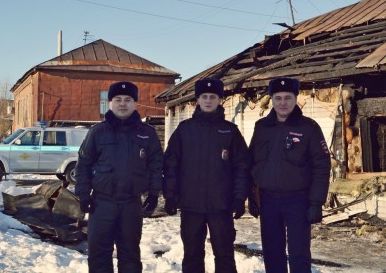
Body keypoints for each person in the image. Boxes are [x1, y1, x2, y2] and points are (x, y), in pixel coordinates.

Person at [163, 78, 250, 273]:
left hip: (221, 206)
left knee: (225, 254)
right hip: (191, 205)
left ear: (220, 100)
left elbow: (242, 167)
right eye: (204, 97)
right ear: (198, 100)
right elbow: (171, 164)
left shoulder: (230, 131)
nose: (208, 100)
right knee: (192, 254)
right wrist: (170, 195)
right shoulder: (185, 130)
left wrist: (238, 198)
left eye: (213, 97)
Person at [75, 81, 163, 273]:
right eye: (118, 100)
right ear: (111, 103)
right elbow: (83, 165)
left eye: (128, 100)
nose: (123, 104)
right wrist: (83, 194)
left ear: (135, 103)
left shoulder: (146, 133)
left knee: (130, 254)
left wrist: (154, 193)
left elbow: (156, 164)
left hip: (131, 204)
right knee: (99, 255)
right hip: (101, 203)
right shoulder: (97, 132)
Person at [248, 77, 331, 273]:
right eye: (278, 98)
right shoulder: (262, 128)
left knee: (299, 254)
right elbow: (251, 162)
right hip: (268, 200)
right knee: (272, 252)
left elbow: (321, 166)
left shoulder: (309, 128)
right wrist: (251, 195)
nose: (283, 103)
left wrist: (316, 202)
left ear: (296, 99)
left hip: (298, 201)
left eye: (288, 98)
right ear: (271, 100)